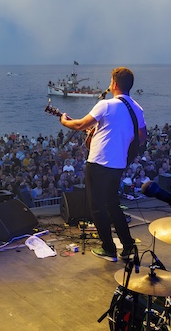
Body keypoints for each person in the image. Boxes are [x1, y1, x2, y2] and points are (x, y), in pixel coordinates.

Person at [58, 67, 147, 262]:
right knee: (113, 205)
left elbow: (80, 125)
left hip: (98, 162)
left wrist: (64, 122)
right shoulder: (137, 109)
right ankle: (128, 246)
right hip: (118, 164)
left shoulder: (105, 105)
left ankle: (108, 248)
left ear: (114, 84)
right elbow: (142, 137)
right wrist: (120, 140)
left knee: (97, 207)